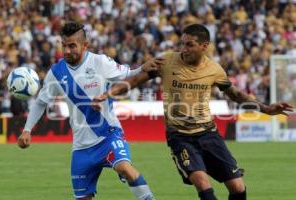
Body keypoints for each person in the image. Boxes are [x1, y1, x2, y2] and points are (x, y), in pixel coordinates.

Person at [92, 24, 294, 200]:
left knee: (238, 188)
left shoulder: (214, 70)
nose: (184, 49)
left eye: (189, 45)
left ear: (204, 46)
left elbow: (236, 95)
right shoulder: (167, 62)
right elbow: (135, 80)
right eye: (182, 43)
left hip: (209, 134)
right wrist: (109, 93)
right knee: (203, 185)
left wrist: (266, 108)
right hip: (180, 137)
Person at [17, 21, 163, 200]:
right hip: (81, 147)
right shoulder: (56, 72)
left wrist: (142, 68)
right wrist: (27, 129)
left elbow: (128, 75)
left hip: (108, 135)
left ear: (85, 45)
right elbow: (41, 102)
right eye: (64, 46)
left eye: (72, 46)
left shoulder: (99, 62)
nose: (67, 51)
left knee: (126, 169)